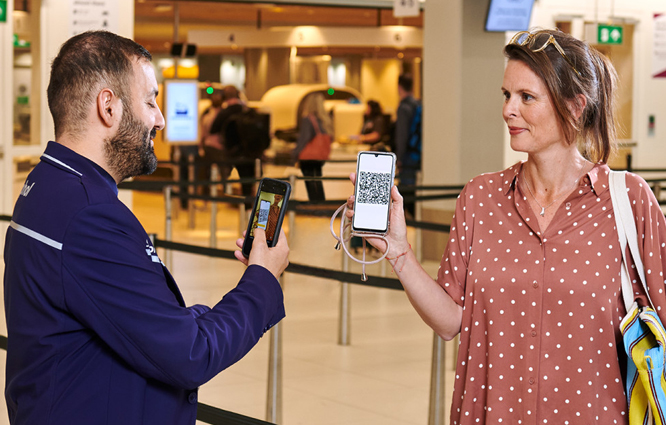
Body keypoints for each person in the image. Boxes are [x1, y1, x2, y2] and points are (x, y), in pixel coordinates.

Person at [345, 28, 666, 424]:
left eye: (526, 97)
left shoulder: (629, 202)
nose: (508, 110)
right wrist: (400, 253)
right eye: (506, 95)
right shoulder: (480, 198)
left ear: (575, 106)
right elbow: (450, 322)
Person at [3, 31, 289, 425]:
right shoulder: (90, 218)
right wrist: (262, 278)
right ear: (109, 106)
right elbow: (191, 355)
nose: (160, 118)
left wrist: (184, 320)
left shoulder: (46, 186)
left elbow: (126, 314)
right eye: (151, 100)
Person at [209, 85, 259, 201]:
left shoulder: (224, 113)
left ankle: (241, 204)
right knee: (248, 182)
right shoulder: (248, 111)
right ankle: (248, 207)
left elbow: (213, 129)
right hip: (250, 152)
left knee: (228, 178)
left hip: (232, 153)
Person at [292, 93, 333, 202]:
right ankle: (321, 204)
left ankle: (314, 205)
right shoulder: (325, 120)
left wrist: (295, 153)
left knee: (310, 181)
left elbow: (304, 138)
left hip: (308, 157)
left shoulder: (308, 119)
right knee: (317, 180)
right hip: (320, 157)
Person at [394, 74, 421, 217]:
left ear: (399, 87)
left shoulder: (403, 107)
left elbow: (402, 135)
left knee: (405, 190)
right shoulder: (416, 104)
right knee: (412, 189)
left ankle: (408, 220)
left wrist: (399, 157)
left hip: (408, 156)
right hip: (416, 153)